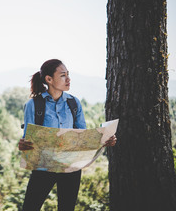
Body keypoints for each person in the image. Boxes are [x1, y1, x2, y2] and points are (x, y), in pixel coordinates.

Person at [18, 59, 116, 211]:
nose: (68, 79)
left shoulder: (74, 103)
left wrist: (104, 140)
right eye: (63, 75)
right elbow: (28, 139)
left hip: (71, 168)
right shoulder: (34, 105)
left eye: (68, 75)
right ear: (49, 79)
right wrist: (23, 144)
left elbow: (83, 136)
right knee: (30, 207)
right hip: (44, 168)